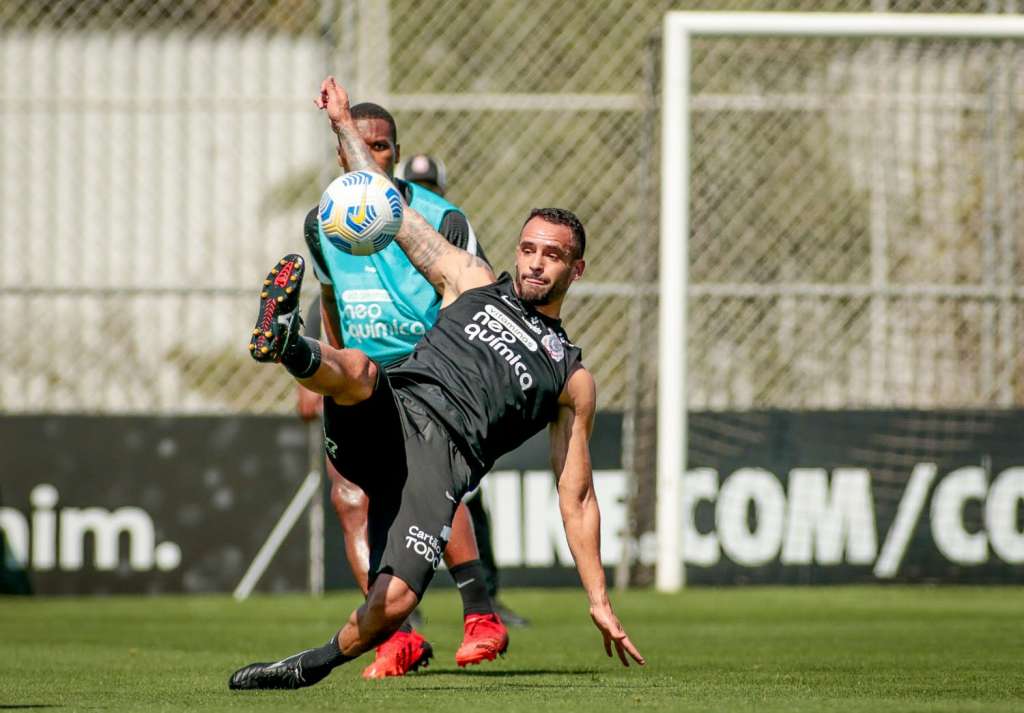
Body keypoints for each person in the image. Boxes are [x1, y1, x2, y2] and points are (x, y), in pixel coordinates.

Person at [229, 76, 644, 691]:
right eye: (528, 248)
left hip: (440, 466)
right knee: (362, 368)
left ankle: (306, 666)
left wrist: (599, 598)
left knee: (393, 602)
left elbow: (576, 494)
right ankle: (288, 344)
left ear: (575, 269)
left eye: (551, 254)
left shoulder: (571, 377)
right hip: (395, 410)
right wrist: (342, 123)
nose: (534, 261)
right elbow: (384, 205)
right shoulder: (471, 280)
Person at [293, 101, 508, 678]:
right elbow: (333, 300)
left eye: (383, 146)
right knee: (350, 501)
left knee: (432, 487)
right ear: (343, 152)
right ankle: (398, 638)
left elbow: (478, 298)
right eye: (361, 145)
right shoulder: (322, 224)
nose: (372, 155)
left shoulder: (443, 218)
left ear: (390, 152)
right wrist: (325, 372)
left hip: (428, 371)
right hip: (359, 379)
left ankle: (480, 613)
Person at [398, 152, 530, 628]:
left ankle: (484, 601)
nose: (426, 190)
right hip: (399, 380)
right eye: (419, 184)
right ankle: (404, 616)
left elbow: (485, 300)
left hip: (447, 390)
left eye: (432, 183)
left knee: (464, 499)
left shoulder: (455, 236)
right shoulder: (384, 236)